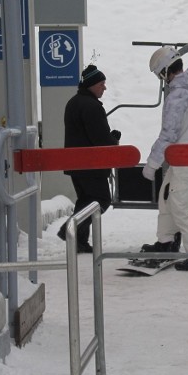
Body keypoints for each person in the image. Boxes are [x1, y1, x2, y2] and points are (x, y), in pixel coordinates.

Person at [140, 46, 188, 271]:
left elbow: (168, 134)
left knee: (181, 205)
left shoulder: (177, 96)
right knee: (167, 197)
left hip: (186, 156)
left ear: (164, 72)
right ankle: (166, 241)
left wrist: (151, 165)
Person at [57, 65, 122, 253]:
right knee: (100, 200)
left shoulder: (74, 102)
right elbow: (100, 139)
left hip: (75, 163)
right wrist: (114, 139)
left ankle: (79, 241)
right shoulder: (91, 106)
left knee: (85, 199)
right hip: (91, 164)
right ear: (92, 85)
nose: (104, 88)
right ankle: (70, 229)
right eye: (102, 84)